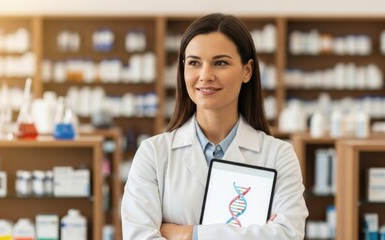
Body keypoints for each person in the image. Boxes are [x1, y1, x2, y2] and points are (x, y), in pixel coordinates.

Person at [121, 13, 308, 239]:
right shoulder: (153, 154)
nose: (205, 75)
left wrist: (190, 234)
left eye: (220, 63)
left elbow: (288, 235)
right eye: (194, 63)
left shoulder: (279, 155)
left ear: (246, 70)